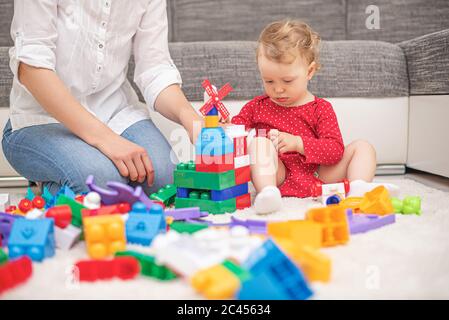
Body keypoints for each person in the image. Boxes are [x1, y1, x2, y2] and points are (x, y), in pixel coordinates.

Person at [2, 0, 201, 195]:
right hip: (43, 118)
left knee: (165, 180)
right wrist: (107, 139)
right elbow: (31, 68)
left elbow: (154, 68)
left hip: (114, 112)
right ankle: (49, 180)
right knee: (101, 183)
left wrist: (190, 118)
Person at [231, 20, 398, 214]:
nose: (277, 89)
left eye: (287, 80)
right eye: (268, 81)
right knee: (259, 144)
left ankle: (358, 188)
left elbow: (335, 150)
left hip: (320, 173)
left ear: (309, 71)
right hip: (279, 174)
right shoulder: (256, 107)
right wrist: (225, 126)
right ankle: (267, 193)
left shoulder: (321, 108)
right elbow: (236, 131)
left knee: (363, 147)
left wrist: (298, 143)